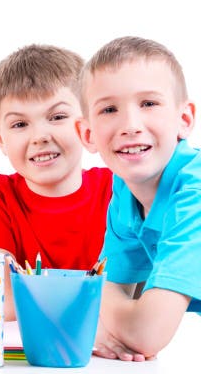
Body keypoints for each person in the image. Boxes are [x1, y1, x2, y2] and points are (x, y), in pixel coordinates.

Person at [78, 36, 199, 361]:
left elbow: (147, 333)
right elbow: (107, 293)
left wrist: (101, 297)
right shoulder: (125, 190)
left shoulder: (196, 191)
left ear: (184, 120)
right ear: (87, 135)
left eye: (148, 103)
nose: (130, 125)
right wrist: (105, 301)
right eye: (109, 109)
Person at [0, 44, 111, 271]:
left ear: (90, 123)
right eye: (20, 124)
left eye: (57, 117)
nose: (39, 137)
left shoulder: (117, 189)